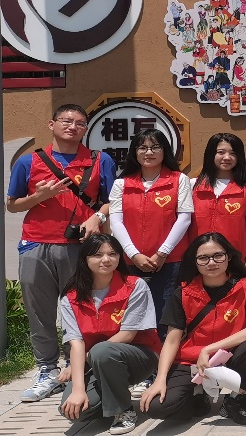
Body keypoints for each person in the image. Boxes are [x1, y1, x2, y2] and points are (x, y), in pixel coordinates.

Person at [7, 104, 116, 402]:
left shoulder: (99, 160)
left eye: (80, 123)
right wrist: (39, 196)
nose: (72, 126)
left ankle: (77, 367)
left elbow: (112, 201)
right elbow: (12, 205)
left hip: (80, 247)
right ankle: (46, 369)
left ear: (86, 129)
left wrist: (98, 217)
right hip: (36, 244)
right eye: (66, 121)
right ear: (51, 124)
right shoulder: (29, 161)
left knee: (81, 309)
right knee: (39, 311)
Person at [139, 233, 246, 425]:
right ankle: (198, 393)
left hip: (230, 355)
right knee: (157, 407)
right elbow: (172, 340)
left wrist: (208, 349)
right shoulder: (183, 292)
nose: (211, 262)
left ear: (229, 257)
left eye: (218, 256)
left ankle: (236, 399)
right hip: (190, 361)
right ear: (195, 262)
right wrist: (159, 379)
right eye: (203, 258)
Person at [57, 234, 160, 435]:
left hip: (140, 356)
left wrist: (84, 360)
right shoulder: (70, 296)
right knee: (73, 411)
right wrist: (78, 390)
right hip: (97, 360)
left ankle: (124, 410)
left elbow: (127, 335)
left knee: (102, 352)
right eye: (97, 255)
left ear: (120, 257)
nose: (106, 259)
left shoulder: (135, 285)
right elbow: (76, 343)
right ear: (85, 258)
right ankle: (110, 401)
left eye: (112, 254)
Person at [109, 130, 193, 333]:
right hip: (130, 261)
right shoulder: (121, 183)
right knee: (130, 313)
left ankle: (165, 351)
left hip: (171, 261)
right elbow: (116, 222)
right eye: (143, 148)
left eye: (155, 147)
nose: (149, 152)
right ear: (134, 152)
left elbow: (184, 218)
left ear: (165, 151)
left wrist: (162, 253)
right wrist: (134, 254)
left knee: (166, 313)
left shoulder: (179, 179)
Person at [189, 134, 246, 274]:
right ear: (211, 154)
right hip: (198, 260)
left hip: (234, 260)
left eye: (233, 153)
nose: (227, 157)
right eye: (221, 152)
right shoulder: (193, 186)